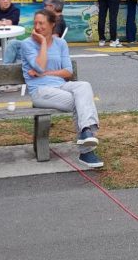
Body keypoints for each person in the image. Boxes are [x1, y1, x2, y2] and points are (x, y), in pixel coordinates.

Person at [21, 9, 103, 168]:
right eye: (35, 23)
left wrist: (45, 73)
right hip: (40, 91)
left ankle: (86, 131)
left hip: (60, 85)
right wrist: (43, 42)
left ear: (52, 25)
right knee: (79, 102)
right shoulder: (27, 44)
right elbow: (39, 65)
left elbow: (68, 71)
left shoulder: (61, 43)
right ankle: (87, 150)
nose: (37, 27)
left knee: (84, 86)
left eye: (42, 23)